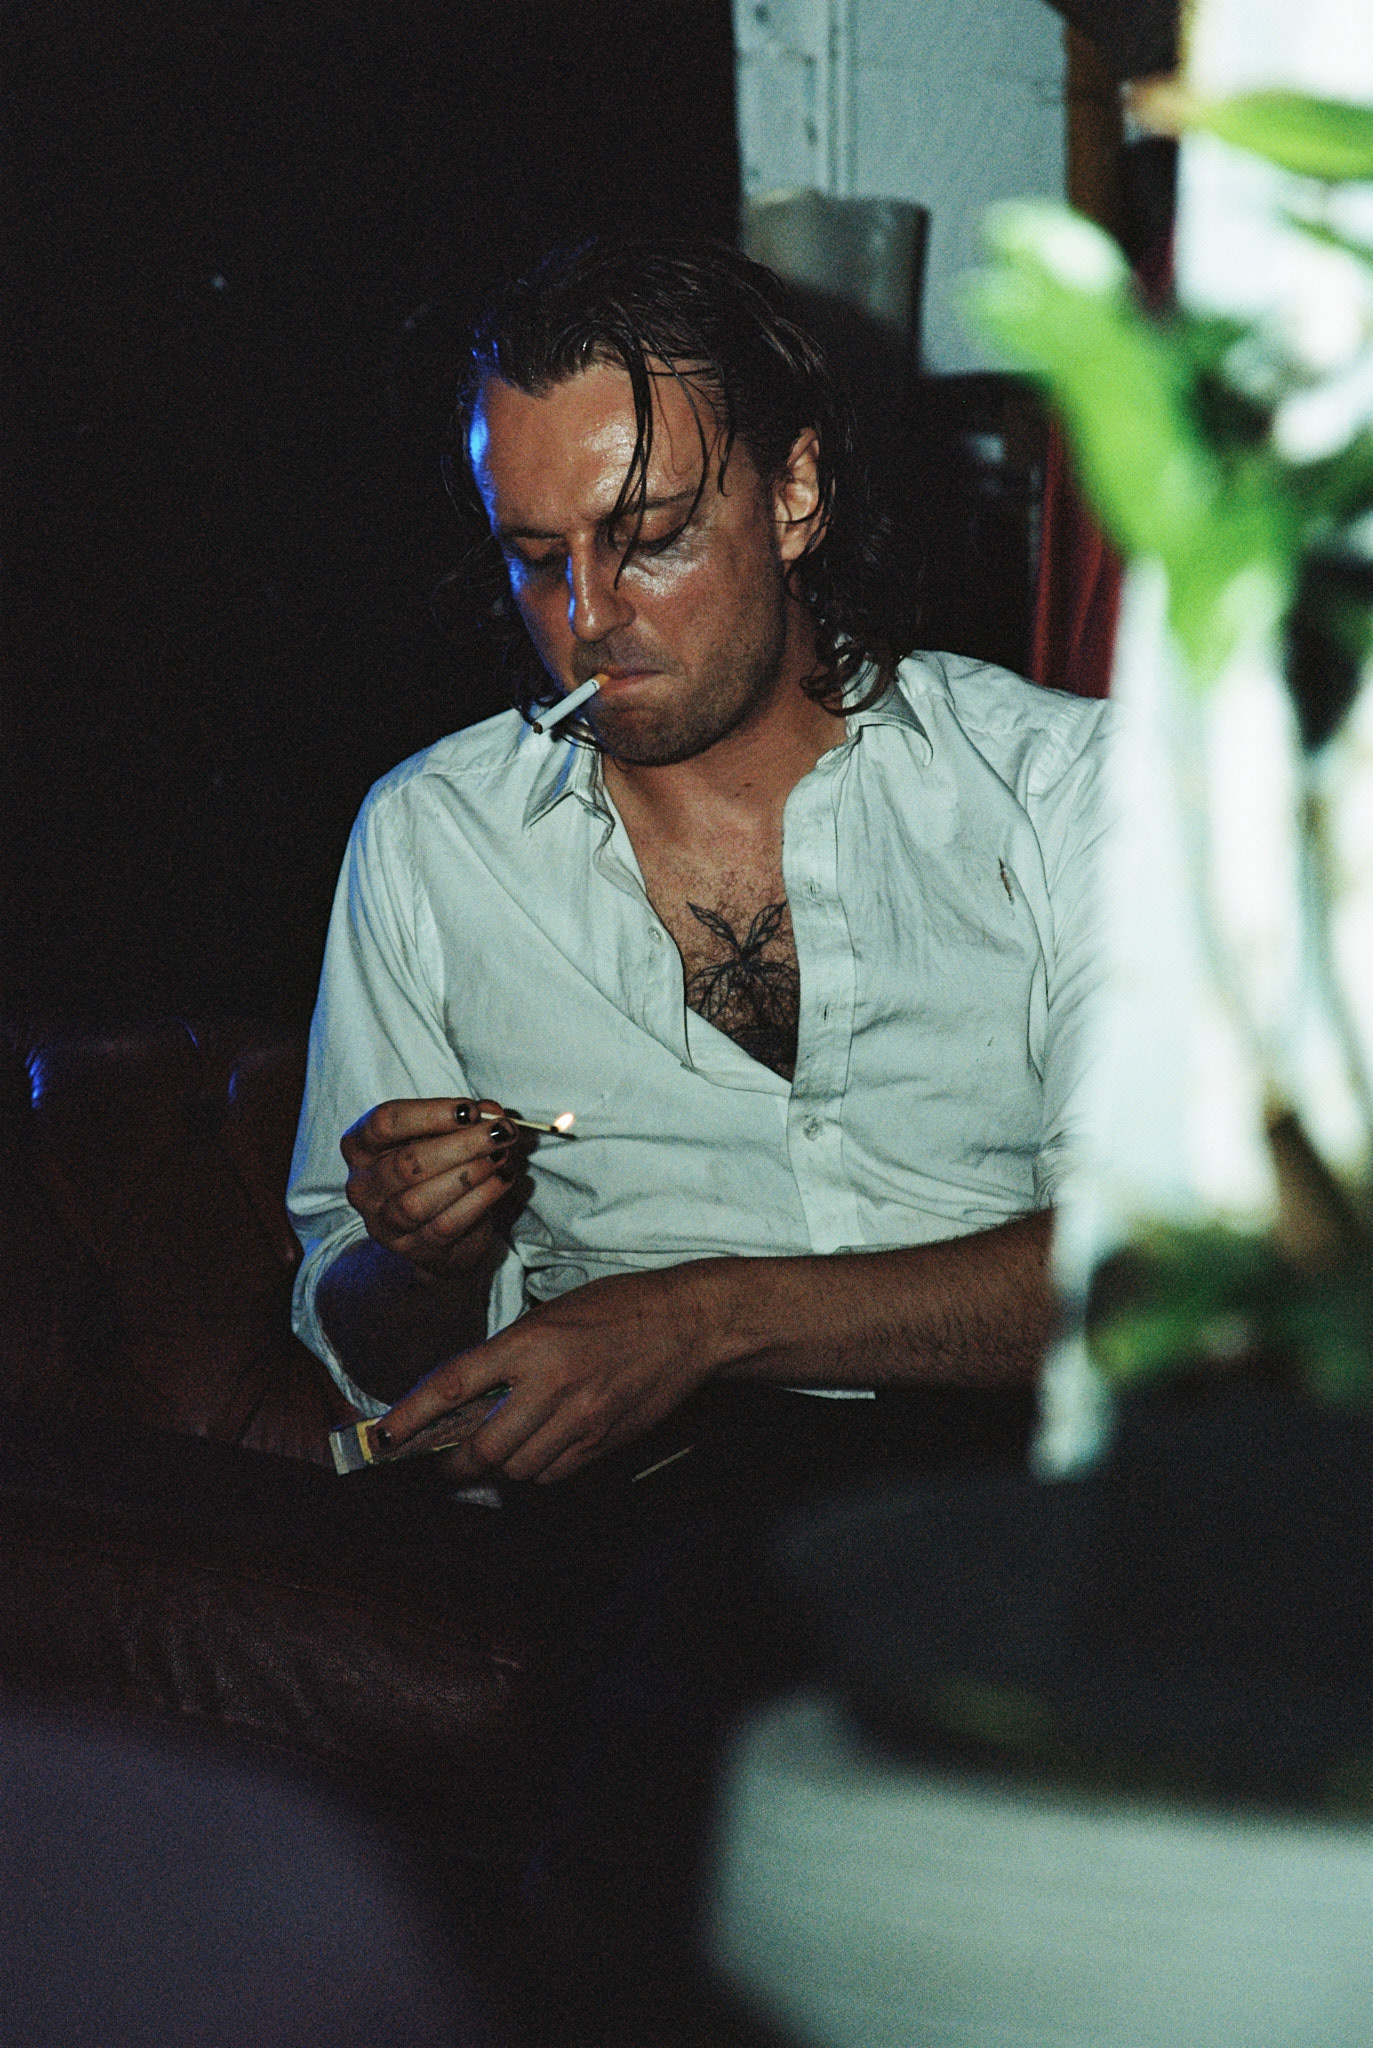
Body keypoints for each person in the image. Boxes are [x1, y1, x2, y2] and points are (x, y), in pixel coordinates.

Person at [285, 235, 1112, 2042]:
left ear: (794, 493)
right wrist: (414, 1258)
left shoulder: (1065, 796)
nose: (588, 615)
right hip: (649, 1502)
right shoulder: (432, 842)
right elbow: (366, 1335)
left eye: (648, 534)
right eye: (535, 557)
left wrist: (697, 1317)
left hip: (1021, 1449)